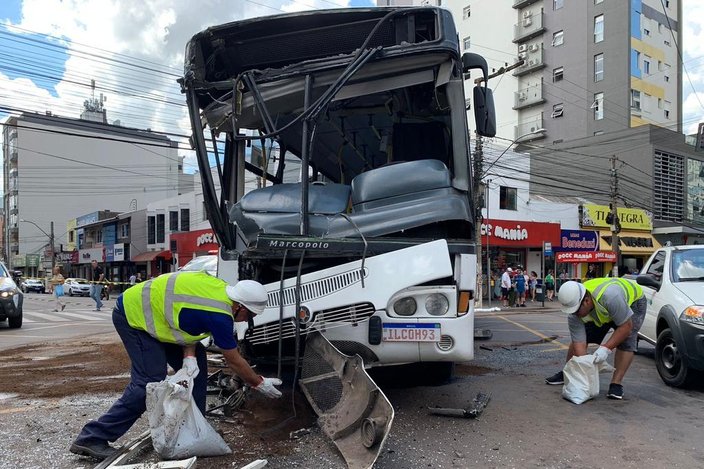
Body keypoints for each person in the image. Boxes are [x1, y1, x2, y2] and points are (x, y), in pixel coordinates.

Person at [69, 271, 282, 460]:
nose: (247, 320)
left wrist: (189, 358)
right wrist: (258, 383)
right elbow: (233, 359)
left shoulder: (220, 291)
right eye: (250, 315)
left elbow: (188, 325)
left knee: (197, 364)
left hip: (158, 318)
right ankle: (92, 438)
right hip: (134, 317)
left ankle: (196, 431)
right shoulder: (220, 315)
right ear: (239, 306)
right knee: (149, 382)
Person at [545, 278, 646, 400]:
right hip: (601, 308)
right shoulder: (574, 314)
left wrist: (605, 349)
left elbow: (626, 327)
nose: (575, 314)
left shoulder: (610, 297)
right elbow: (579, 344)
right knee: (585, 336)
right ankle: (568, 373)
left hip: (633, 303)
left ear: (586, 301)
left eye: (576, 310)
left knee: (627, 341)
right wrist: (582, 374)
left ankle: (616, 383)